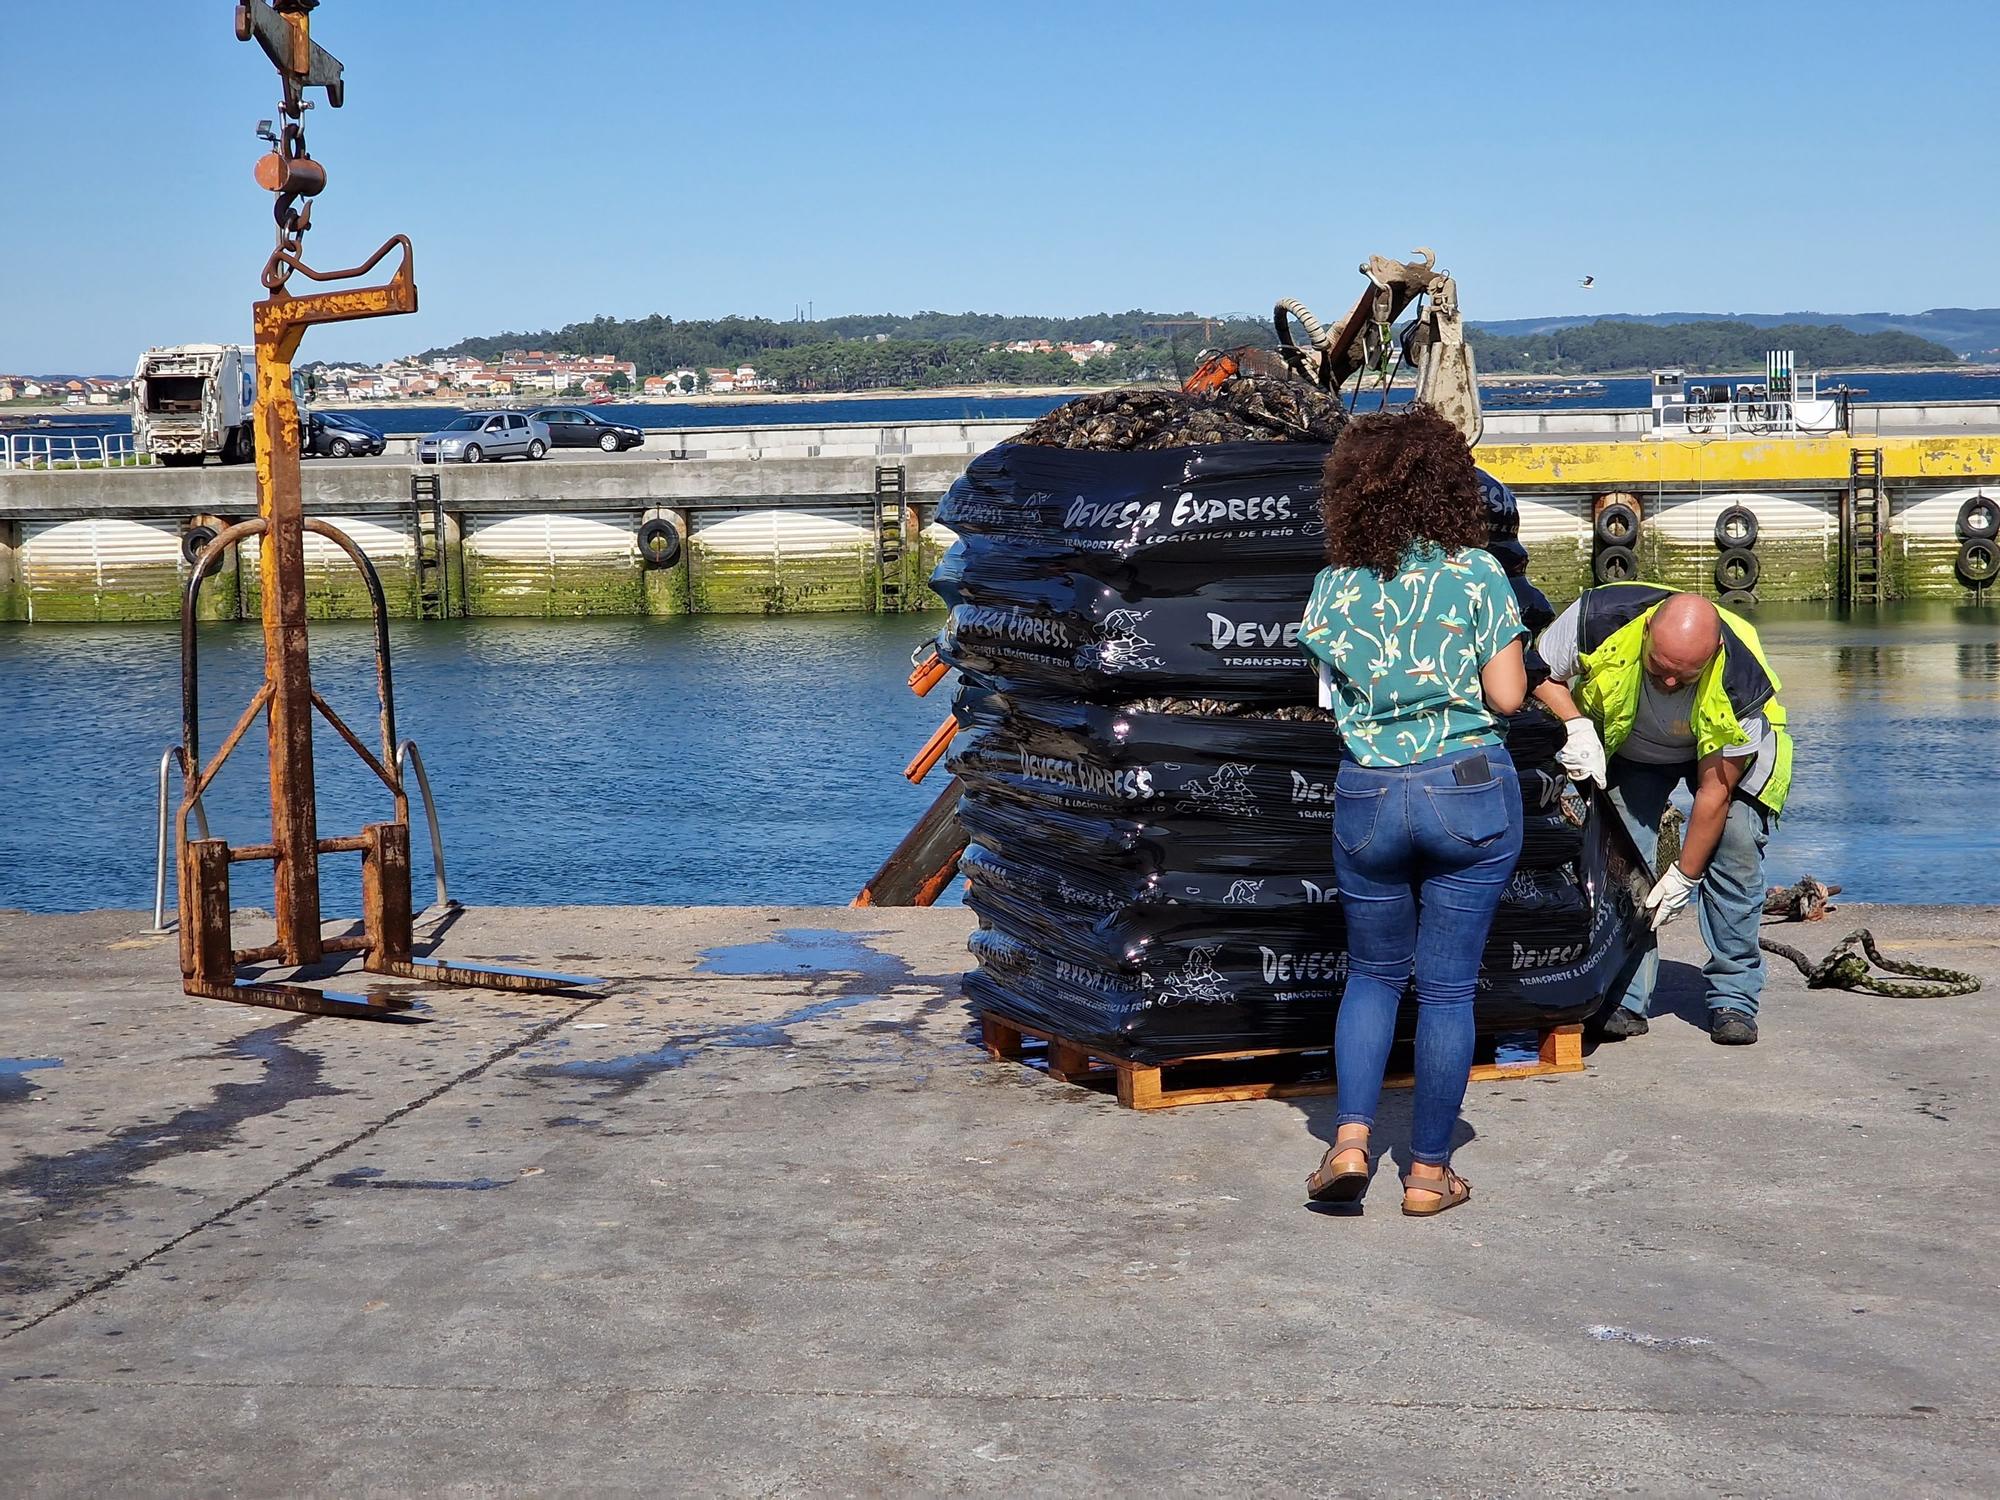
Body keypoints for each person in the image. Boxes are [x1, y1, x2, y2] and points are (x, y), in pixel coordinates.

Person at [1298, 407, 1528, 1218]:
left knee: (1370, 974)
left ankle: (1350, 1140)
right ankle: (1429, 1173)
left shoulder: (1333, 584)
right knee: (1447, 990)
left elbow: (1329, 706)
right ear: (1447, 486)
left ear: (1351, 492)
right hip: (1465, 785)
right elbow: (1506, 694)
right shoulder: (1478, 573)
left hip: (1367, 794)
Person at [1530, 585, 1793, 1045]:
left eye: (1684, 677)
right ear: (1649, 628)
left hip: (1720, 756)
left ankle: (1734, 997)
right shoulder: (1596, 616)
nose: (1670, 683)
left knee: (1735, 851)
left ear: (1711, 654)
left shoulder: (1743, 678)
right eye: (1660, 669)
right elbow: (1538, 672)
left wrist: (1684, 879)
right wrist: (1574, 724)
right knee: (1623, 859)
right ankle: (1623, 997)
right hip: (1632, 744)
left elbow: (1715, 792)